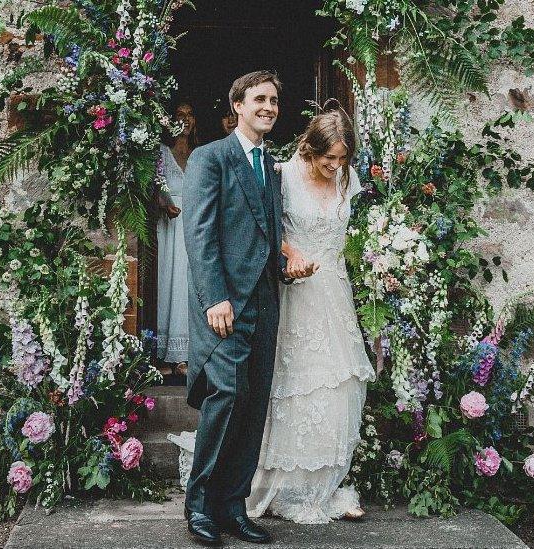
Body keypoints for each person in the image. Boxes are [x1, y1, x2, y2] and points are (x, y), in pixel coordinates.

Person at [181, 70, 316, 546]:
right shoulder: (209, 158)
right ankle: (199, 507)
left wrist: (290, 259)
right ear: (237, 104)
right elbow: (199, 234)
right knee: (224, 400)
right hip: (224, 304)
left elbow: (267, 229)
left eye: (274, 100)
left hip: (265, 299)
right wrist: (215, 296)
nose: (269, 107)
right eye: (259, 99)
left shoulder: (270, 163)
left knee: (253, 405)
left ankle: (233, 507)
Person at [246, 104, 375, 524]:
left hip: (334, 291)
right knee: (295, 386)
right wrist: (291, 252)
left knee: (339, 386)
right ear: (309, 148)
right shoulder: (283, 175)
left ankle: (322, 486)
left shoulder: (347, 178)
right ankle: (284, 488)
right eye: (327, 158)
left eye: (341, 159)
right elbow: (266, 227)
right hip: (295, 291)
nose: (334, 166)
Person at [156, 101, 197, 378]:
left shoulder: (200, 153)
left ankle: (183, 355)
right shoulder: (161, 153)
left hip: (192, 222)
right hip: (169, 224)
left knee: (187, 285)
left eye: (189, 114)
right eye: (179, 114)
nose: (184, 119)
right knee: (167, 284)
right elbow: (153, 186)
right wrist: (164, 203)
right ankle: (162, 354)